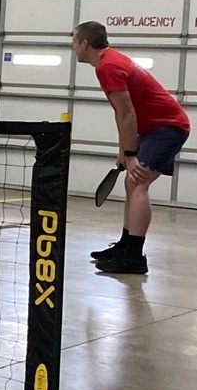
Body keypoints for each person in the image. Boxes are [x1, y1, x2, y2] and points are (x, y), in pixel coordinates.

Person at [72, 21, 190, 275]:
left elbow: (127, 114)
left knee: (138, 183)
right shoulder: (110, 61)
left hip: (168, 128)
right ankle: (125, 247)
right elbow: (123, 115)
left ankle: (134, 257)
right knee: (131, 182)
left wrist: (131, 153)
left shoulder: (108, 67)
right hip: (152, 129)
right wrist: (124, 150)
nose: (73, 48)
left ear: (84, 43)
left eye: (74, 42)